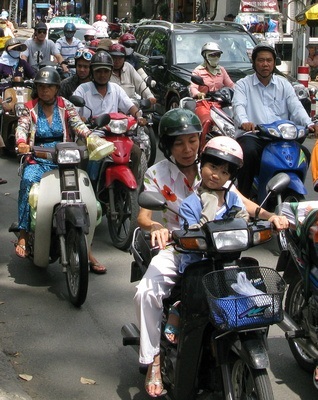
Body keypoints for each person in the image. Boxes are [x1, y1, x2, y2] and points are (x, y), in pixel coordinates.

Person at [134, 107, 289, 397]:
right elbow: (143, 216)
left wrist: (272, 217)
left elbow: (244, 203)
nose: (187, 149)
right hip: (179, 248)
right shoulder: (157, 174)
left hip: (223, 249)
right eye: (178, 142)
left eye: (192, 141)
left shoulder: (214, 166)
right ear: (167, 145)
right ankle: (153, 358)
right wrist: (157, 227)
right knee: (147, 292)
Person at [14, 66, 106, 273]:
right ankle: (23, 233)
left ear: (57, 89)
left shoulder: (66, 106)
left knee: (84, 196)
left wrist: (90, 136)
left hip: (65, 159)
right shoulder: (29, 108)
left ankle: (87, 249)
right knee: (28, 182)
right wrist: (21, 142)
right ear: (37, 88)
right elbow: (22, 127)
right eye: (41, 87)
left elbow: (77, 124)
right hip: (38, 159)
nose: (45, 91)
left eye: (49, 87)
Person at [164, 136, 249, 344]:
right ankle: (178, 308)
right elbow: (192, 231)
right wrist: (208, 206)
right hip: (199, 263)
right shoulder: (190, 205)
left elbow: (244, 219)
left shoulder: (233, 199)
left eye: (224, 172)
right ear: (202, 164)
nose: (216, 175)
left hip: (227, 262)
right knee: (189, 291)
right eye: (212, 167)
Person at [232, 42, 318, 199]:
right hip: (254, 135)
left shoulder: (283, 84)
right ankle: (242, 201)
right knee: (248, 152)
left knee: (303, 153)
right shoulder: (243, 85)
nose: (265, 64)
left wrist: (310, 124)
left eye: (269, 60)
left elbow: (296, 107)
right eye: (261, 60)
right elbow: (239, 106)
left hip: (280, 137)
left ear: (274, 63)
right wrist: (245, 122)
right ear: (254, 63)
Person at [190, 42, 234, 148]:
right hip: (204, 103)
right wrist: (198, 94)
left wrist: (240, 91)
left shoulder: (221, 70)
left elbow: (231, 84)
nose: (215, 57)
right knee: (207, 121)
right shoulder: (198, 71)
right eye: (212, 55)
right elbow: (193, 88)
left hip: (221, 103)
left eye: (217, 55)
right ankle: (201, 147)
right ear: (205, 56)